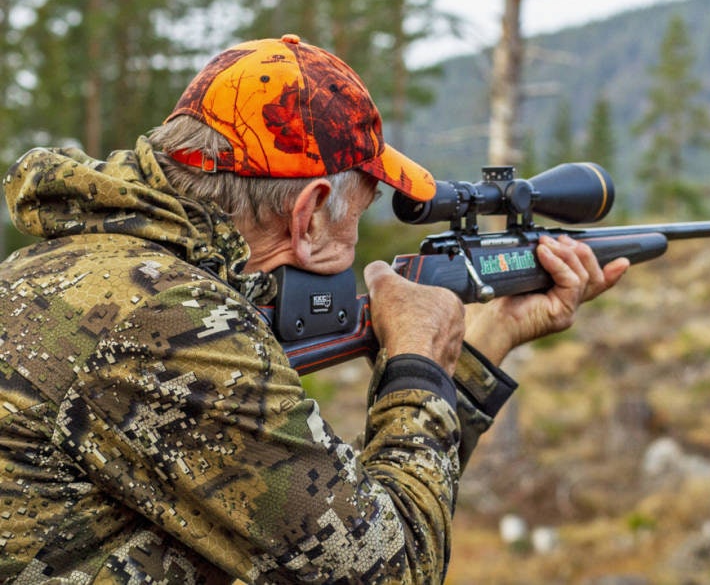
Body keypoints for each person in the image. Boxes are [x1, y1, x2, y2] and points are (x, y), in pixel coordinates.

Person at [0, 34, 629, 584]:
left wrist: (477, 347)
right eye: (357, 215)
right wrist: (414, 362)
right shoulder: (172, 320)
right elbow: (392, 568)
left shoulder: (69, 267)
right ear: (307, 215)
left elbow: (320, 525)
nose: (355, 238)